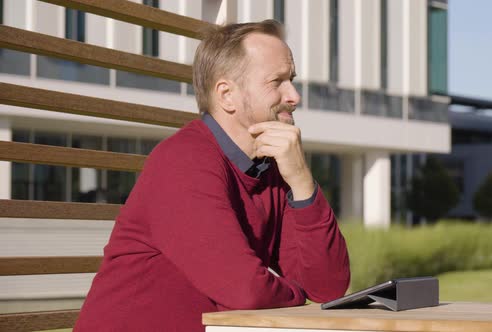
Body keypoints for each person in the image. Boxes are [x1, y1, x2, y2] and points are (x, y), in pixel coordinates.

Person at [74, 20, 350, 331]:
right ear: (226, 95)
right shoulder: (183, 161)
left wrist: (302, 181)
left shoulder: (270, 169)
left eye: (292, 80)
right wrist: (297, 296)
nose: (295, 96)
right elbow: (246, 291)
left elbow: (328, 286)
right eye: (277, 82)